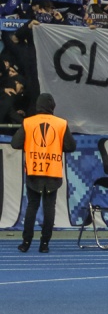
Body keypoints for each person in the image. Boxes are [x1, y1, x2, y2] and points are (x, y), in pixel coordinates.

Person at [13, 93, 77, 253]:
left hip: (34, 171)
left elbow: (15, 143)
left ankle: (26, 242)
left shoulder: (28, 122)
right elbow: (71, 146)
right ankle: (44, 244)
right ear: (52, 106)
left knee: (32, 206)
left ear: (37, 105)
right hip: (52, 172)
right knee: (49, 207)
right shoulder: (61, 124)